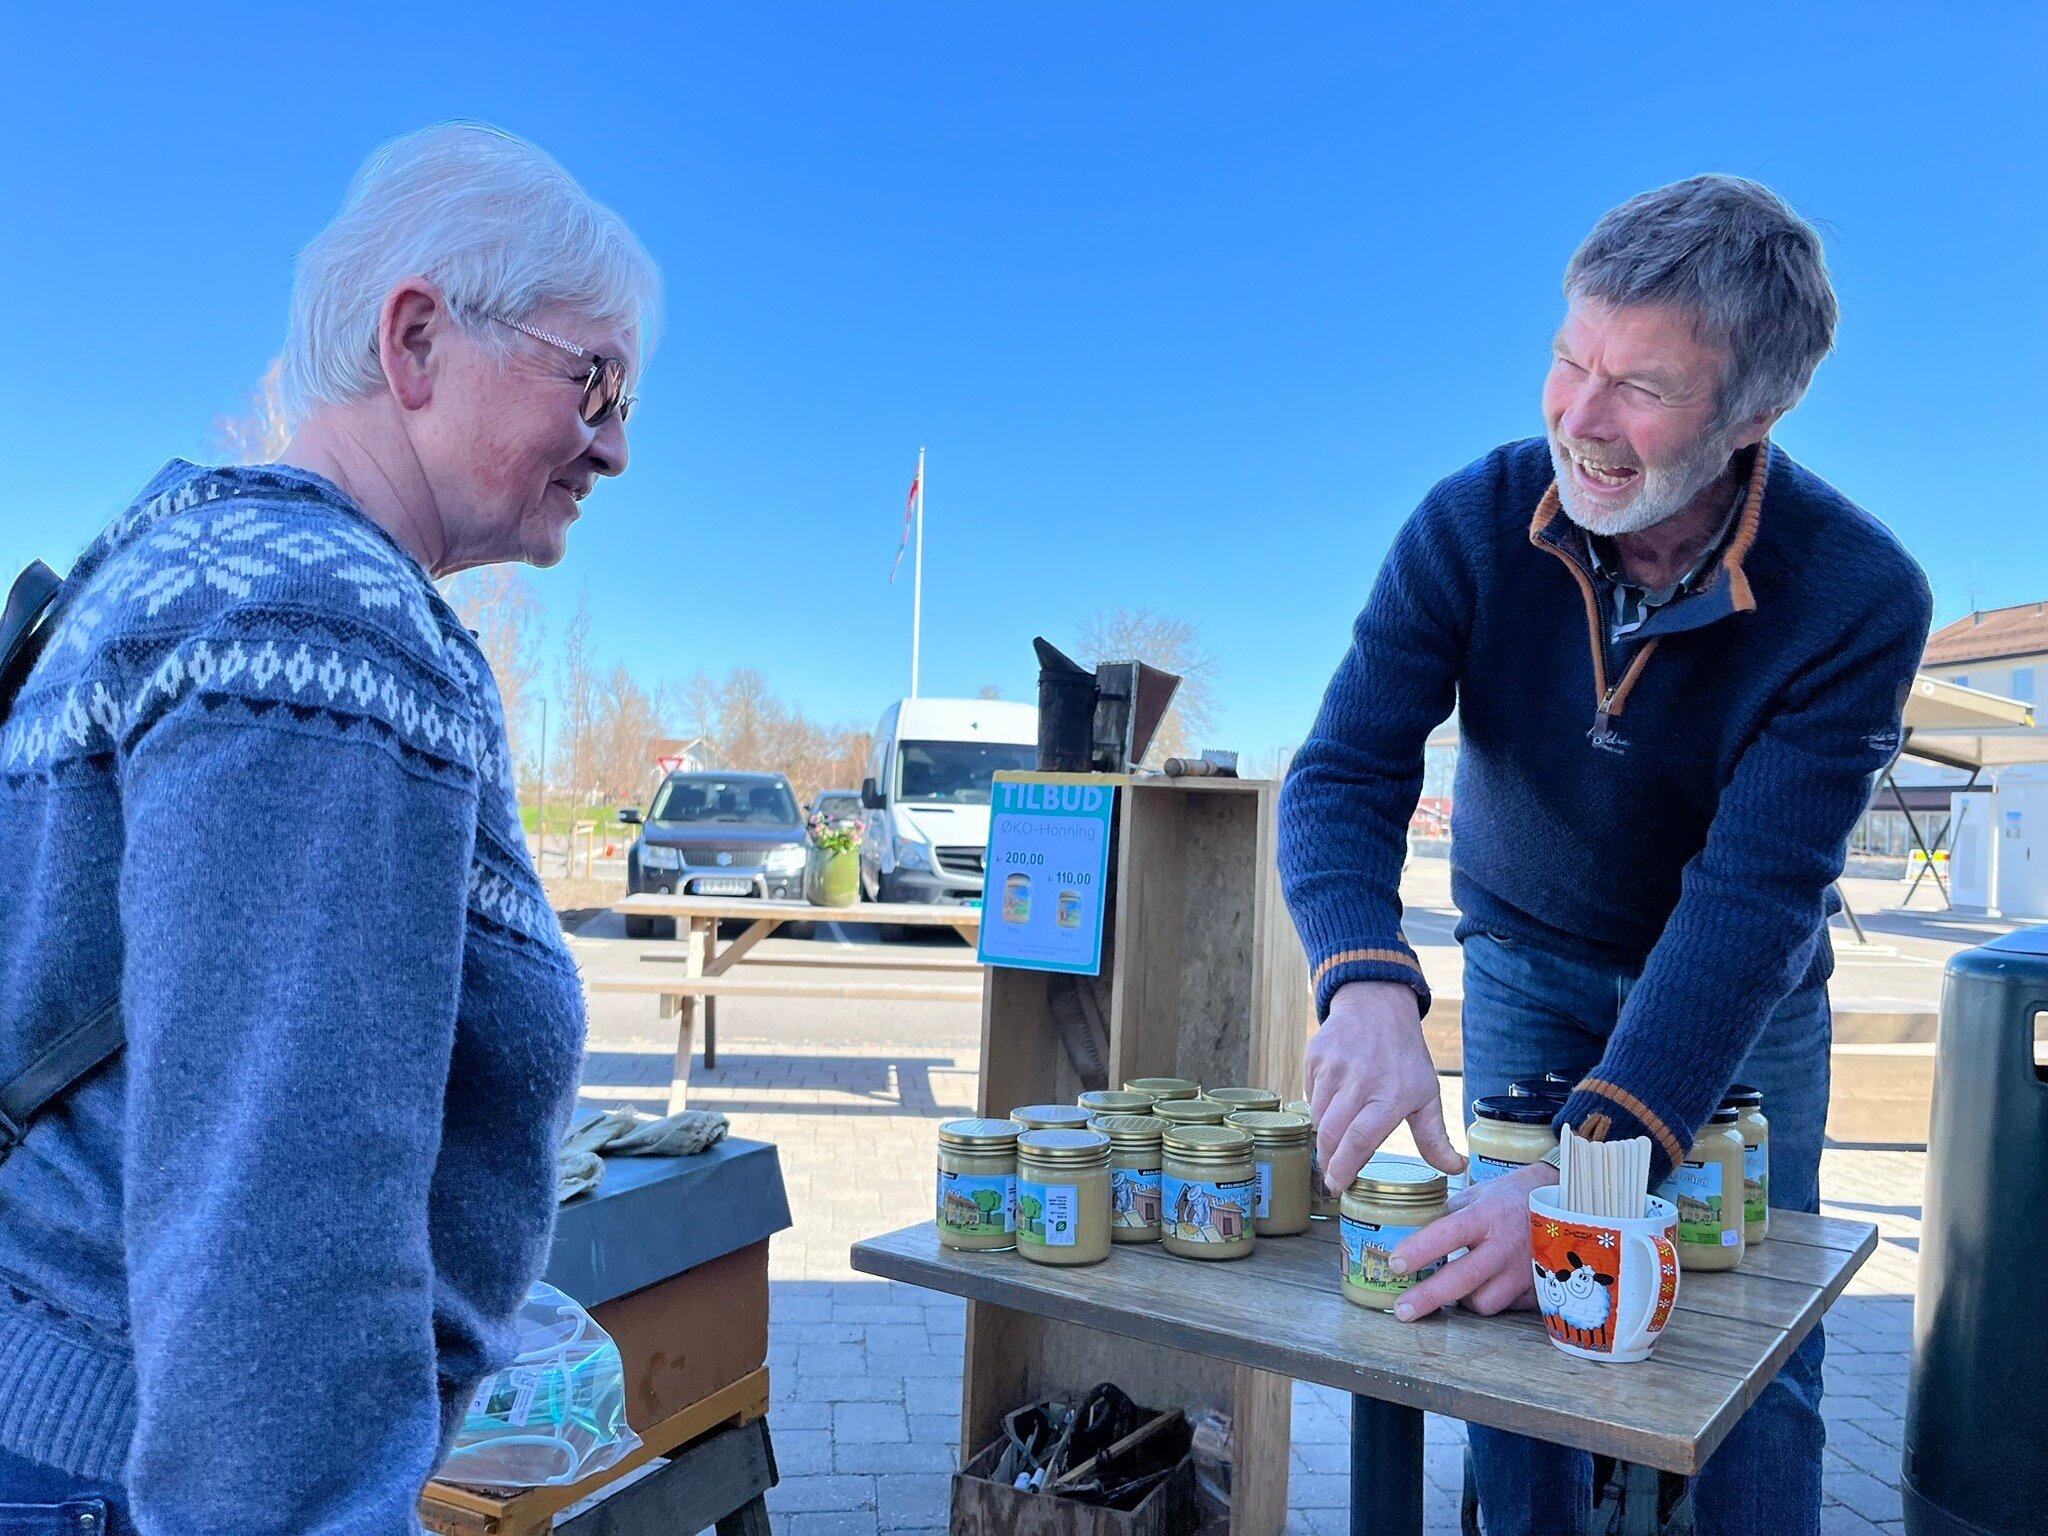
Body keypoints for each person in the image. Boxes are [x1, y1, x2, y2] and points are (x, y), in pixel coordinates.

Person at [0, 123, 660, 1531]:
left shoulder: (171, 560)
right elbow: (271, 1226)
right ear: (416, 341)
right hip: (142, 1469)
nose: (615, 443)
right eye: (593, 380)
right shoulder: (321, 631)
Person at [1279, 175, 1930, 1536]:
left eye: (1642, 386)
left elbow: (1751, 901)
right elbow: (1342, 769)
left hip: (1744, 1008)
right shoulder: (1471, 521)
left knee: (1752, 1355)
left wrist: (1588, 1180)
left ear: (1758, 412)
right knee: (1519, 1346)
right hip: (1524, 958)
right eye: (1571, 358)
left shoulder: (1859, 596)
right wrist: (1368, 982)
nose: (1579, 416)